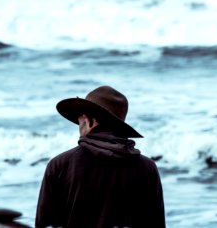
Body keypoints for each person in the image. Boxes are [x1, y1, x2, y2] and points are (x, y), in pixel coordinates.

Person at [35, 85, 165, 228]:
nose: (79, 124)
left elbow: (44, 224)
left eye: (80, 118)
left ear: (91, 121)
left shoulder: (60, 165)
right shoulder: (146, 168)